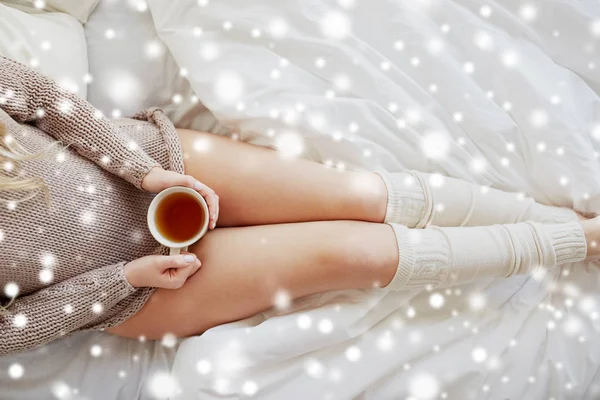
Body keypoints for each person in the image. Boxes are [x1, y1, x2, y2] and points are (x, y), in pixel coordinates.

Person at [0, 55, 596, 356]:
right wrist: (125, 275)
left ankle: (568, 228)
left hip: (156, 170)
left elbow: (45, 100)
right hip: (135, 287)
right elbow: (11, 329)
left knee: (361, 196)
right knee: (351, 251)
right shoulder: (127, 281)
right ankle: (580, 242)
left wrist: (146, 171)